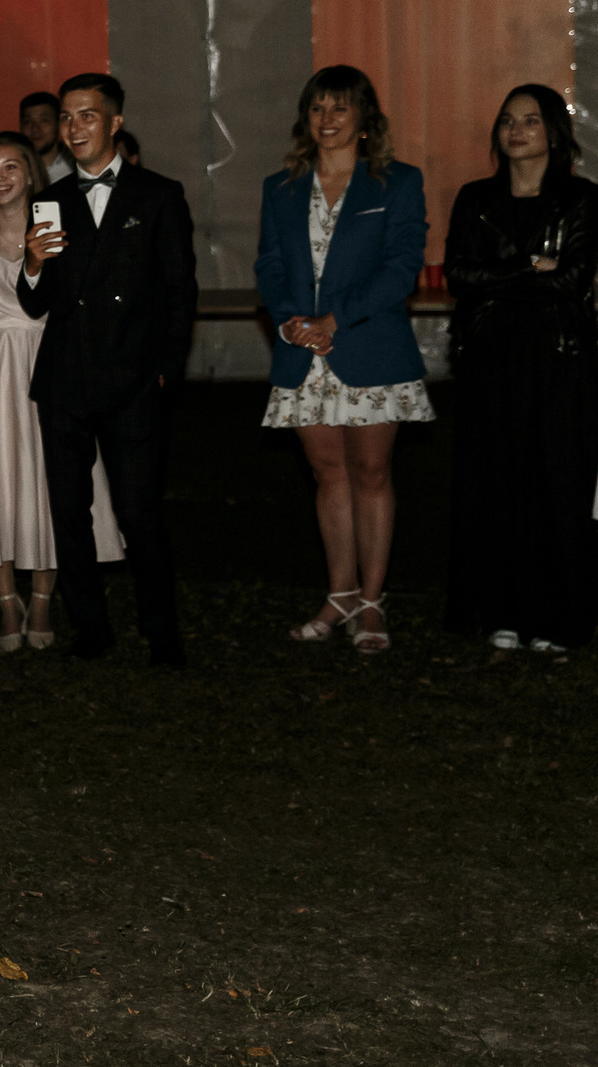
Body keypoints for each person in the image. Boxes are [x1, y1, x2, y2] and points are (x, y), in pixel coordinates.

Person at [20, 73, 199, 667]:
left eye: (86, 116)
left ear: (115, 122)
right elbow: (35, 303)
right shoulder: (52, 200)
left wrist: (165, 375)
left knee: (139, 511)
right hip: (66, 382)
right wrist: (33, 266)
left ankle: (161, 630)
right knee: (69, 511)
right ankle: (90, 629)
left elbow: (179, 294)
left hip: (131, 383)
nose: (73, 128)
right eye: (66, 118)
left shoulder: (158, 195)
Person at [254, 67, 431, 656]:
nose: (327, 120)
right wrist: (289, 320)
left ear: (364, 120)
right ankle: (340, 594)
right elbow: (270, 266)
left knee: (371, 475)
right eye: (317, 109)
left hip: (370, 347)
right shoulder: (280, 188)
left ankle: (374, 603)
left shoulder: (397, 183)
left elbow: (403, 266)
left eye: (340, 109)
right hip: (303, 353)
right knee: (327, 475)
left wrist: (338, 320)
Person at [0, 134, 122, 650]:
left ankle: (42, 599)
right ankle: (6, 603)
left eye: (11, 166)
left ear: (32, 174)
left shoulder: (57, 230)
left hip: (46, 359)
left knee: (47, 479)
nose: (0, 177)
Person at [444, 82, 598, 654]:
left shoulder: (581, 200)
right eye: (508, 120)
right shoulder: (475, 198)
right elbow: (460, 277)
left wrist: (504, 274)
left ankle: (560, 620)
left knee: (557, 487)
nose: (516, 130)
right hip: (491, 360)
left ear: (553, 132)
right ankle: (503, 611)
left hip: (561, 361)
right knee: (498, 486)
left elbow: (573, 281)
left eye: (530, 120)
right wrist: (532, 266)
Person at [20, 92, 72, 184]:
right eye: (27, 122)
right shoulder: (15, 173)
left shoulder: (77, 168)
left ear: (59, 124)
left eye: (44, 120)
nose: (35, 129)